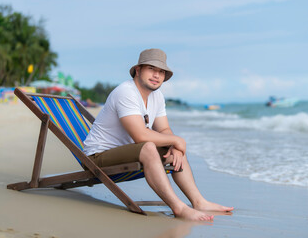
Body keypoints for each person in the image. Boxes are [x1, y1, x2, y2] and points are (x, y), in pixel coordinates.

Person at [83, 48, 233, 221]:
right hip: (97, 157)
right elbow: (140, 135)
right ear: (138, 70)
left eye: (161, 72)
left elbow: (163, 130)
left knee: (175, 151)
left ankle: (199, 202)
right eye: (152, 69)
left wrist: (174, 145)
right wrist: (176, 140)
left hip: (127, 152)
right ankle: (178, 207)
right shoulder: (126, 92)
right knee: (149, 147)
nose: (157, 75)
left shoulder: (157, 96)